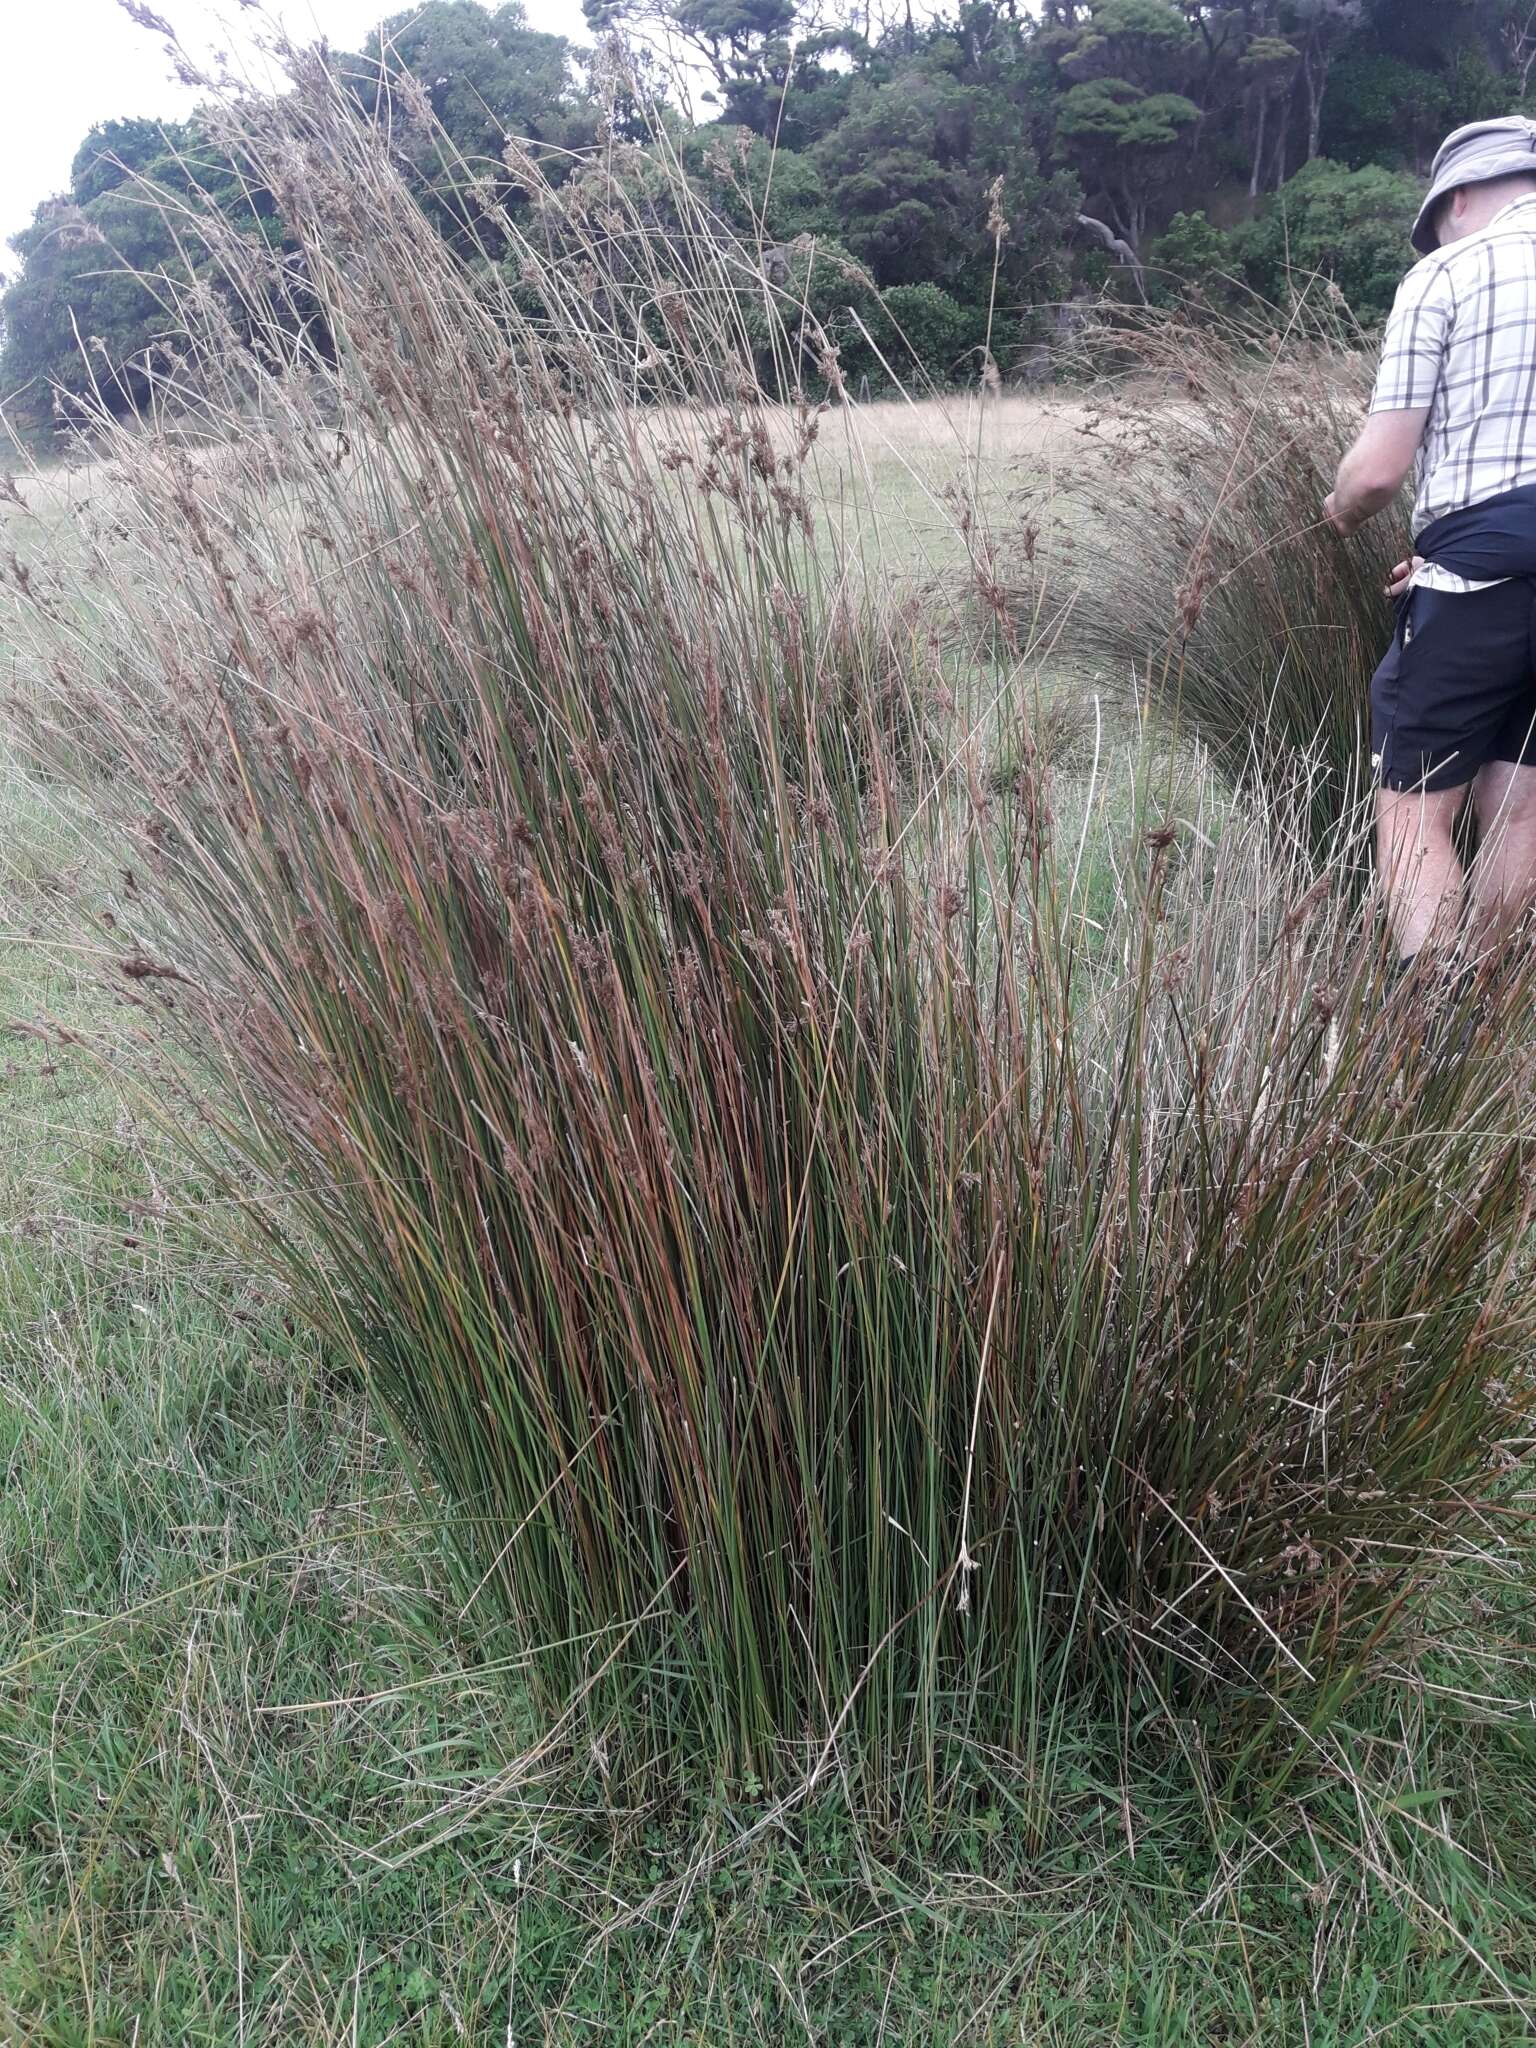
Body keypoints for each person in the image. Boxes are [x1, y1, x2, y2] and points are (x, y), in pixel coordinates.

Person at [1325, 117, 1536, 965]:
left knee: (1414, 814)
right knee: (1522, 806)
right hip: (1485, 556)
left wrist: (1336, 513)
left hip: (1478, 585)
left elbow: (1376, 473)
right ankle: (1489, 1018)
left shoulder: (1448, 272)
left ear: (1455, 201)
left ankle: (1440, 1028)